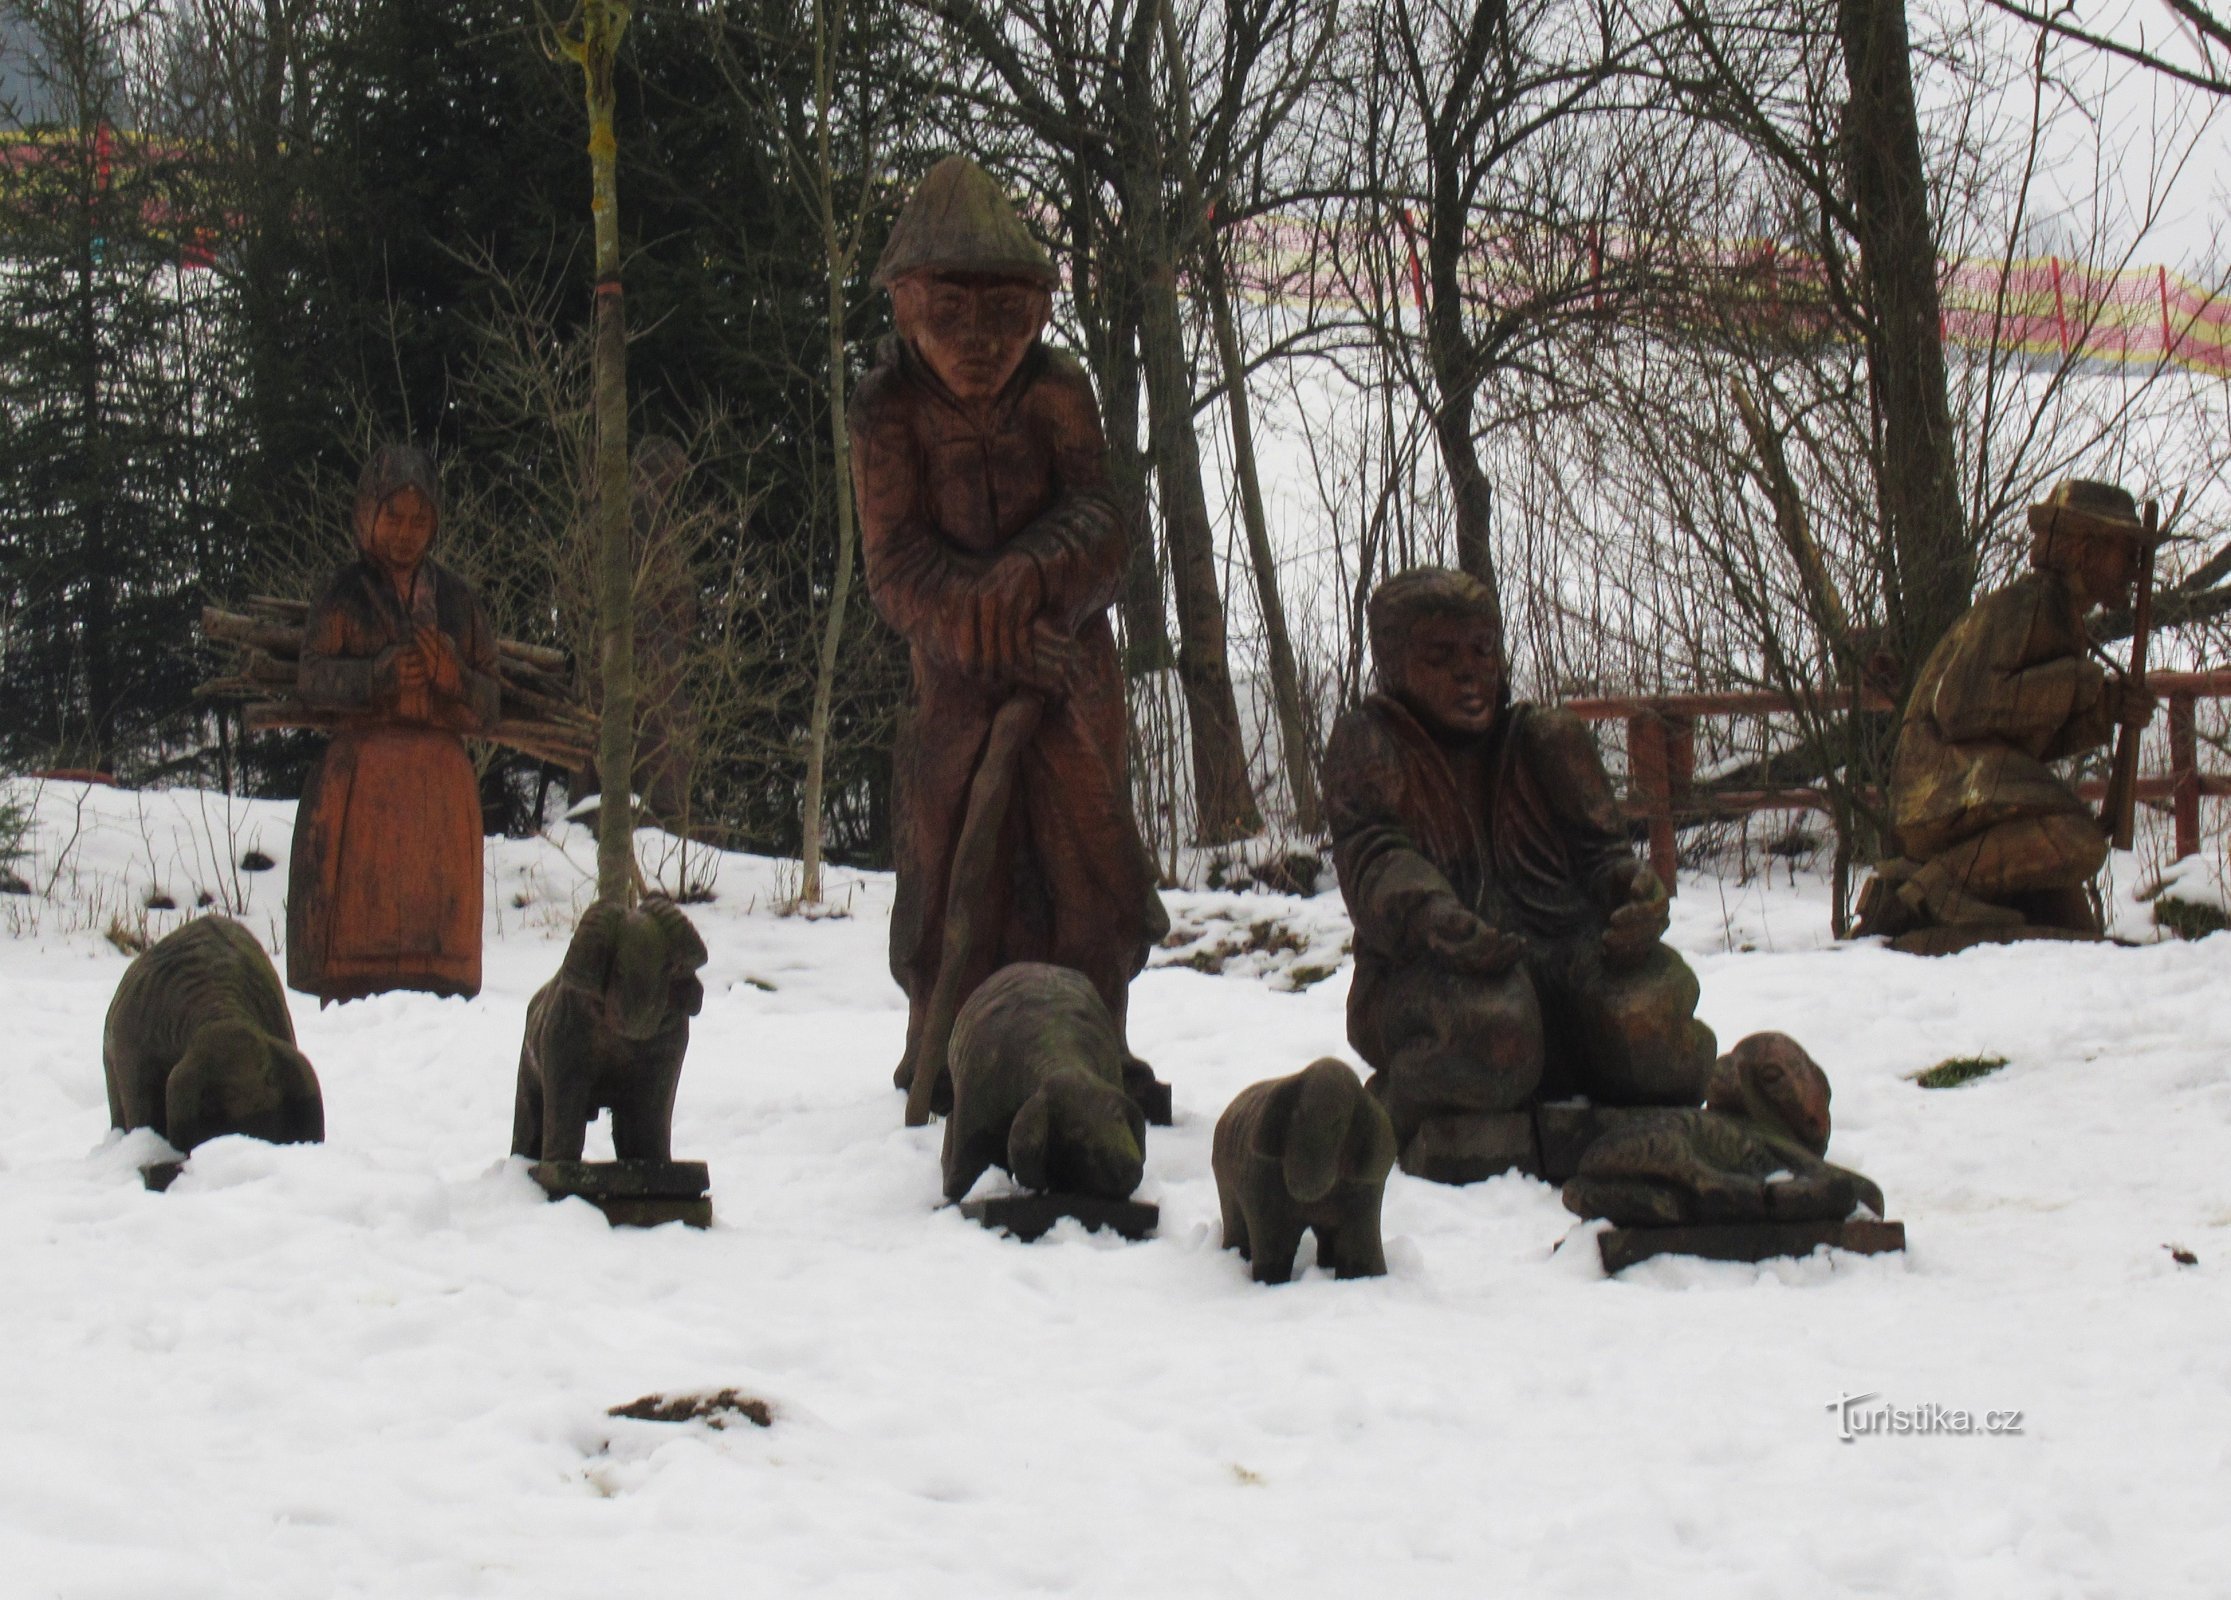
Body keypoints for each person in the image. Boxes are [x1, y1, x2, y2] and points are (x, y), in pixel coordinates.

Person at [849, 155, 1167, 1110]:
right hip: (952, 679)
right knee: (946, 854)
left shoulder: (1058, 390)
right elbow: (894, 565)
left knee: (1089, 855)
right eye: (951, 314)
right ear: (904, 305)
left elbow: (1105, 525)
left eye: (1007, 315)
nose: (981, 341)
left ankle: (1092, 1041)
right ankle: (946, 1039)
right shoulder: (885, 409)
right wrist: (983, 628)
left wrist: (1035, 575)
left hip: (1069, 662)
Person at [1324, 568, 1715, 1180]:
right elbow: (1374, 857)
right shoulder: (1370, 743)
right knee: (1498, 1030)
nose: (1470, 672)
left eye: (1484, 650)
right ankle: (1398, 1108)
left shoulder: (1544, 739)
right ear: (1395, 665)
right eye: (1442, 655)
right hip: (1430, 974)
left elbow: (1601, 853)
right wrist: (1434, 915)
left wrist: (1632, 890)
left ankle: (1598, 1076)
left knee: (1652, 1031)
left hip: (1567, 958)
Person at [1864, 477, 2155, 947]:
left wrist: (2107, 707)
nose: (2135, 569)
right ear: (2085, 549)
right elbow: (1961, 709)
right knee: (2078, 840)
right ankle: (1938, 886)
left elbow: (2021, 725)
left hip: (1969, 780)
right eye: (2127, 552)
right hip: (1942, 785)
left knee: (2070, 878)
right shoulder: (2033, 603)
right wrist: (2079, 682)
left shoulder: (2061, 614)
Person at [287, 446, 500, 1002]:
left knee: (436, 935)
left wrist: (453, 677)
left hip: (440, 787)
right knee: (360, 916)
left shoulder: (457, 600)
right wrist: (373, 676)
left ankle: (441, 988)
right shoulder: (343, 593)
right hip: (362, 782)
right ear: (367, 515)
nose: (406, 533)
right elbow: (311, 680)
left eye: (419, 520)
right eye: (393, 518)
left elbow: (491, 701)